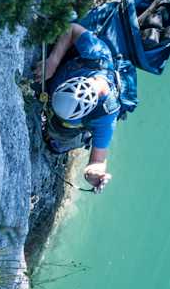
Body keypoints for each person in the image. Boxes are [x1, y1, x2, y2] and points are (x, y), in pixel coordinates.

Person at [35, 22, 121, 192]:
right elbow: (71, 29)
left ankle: (60, 140)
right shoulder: (97, 55)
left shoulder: (105, 117)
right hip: (57, 88)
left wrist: (93, 174)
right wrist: (53, 60)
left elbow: (98, 160)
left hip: (67, 127)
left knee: (57, 143)